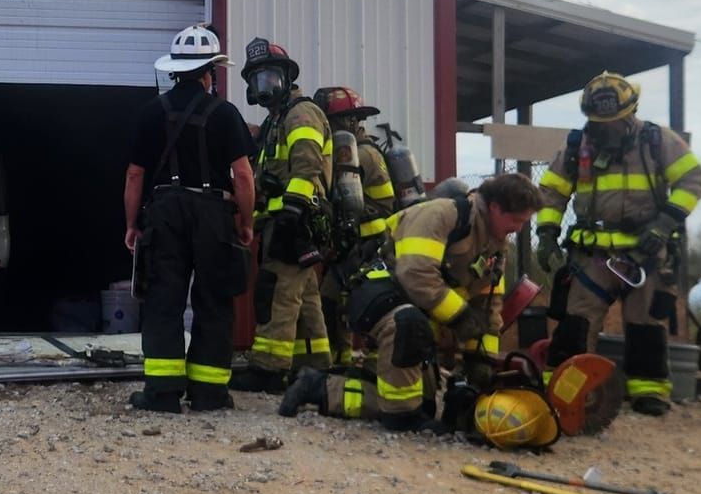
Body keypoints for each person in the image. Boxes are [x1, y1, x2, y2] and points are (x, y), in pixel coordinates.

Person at [283, 172, 540, 432]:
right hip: (378, 295)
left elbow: (487, 306)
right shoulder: (441, 215)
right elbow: (416, 277)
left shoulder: (494, 245)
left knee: (422, 404)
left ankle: (318, 387)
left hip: (413, 307)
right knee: (408, 341)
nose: (519, 229)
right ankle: (399, 415)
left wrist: (481, 360)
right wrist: (460, 317)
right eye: (516, 220)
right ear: (495, 207)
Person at [534, 72, 701, 416]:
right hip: (591, 257)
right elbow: (552, 193)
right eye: (599, 123)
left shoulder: (658, 141)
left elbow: (692, 180)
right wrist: (546, 235)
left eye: (615, 121)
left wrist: (664, 223)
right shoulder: (576, 146)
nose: (607, 129)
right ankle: (567, 393)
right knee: (576, 324)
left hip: (643, 254)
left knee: (645, 324)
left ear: (631, 111)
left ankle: (649, 391)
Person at [122, 26, 256, 413]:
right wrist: (245, 222)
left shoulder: (151, 113)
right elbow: (244, 176)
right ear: (209, 72)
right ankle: (209, 394)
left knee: (164, 299)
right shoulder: (226, 114)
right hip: (213, 211)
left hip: (164, 212)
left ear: (174, 71)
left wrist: (132, 224)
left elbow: (135, 175)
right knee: (213, 300)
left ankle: (162, 394)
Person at [230, 40, 333, 395]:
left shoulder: (300, 114)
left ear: (287, 78)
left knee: (277, 292)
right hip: (284, 217)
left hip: (295, 218)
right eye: (257, 80)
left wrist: (293, 209)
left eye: (270, 77)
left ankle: (268, 371)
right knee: (305, 297)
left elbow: (308, 164)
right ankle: (315, 367)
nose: (263, 87)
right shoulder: (277, 119)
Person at [311, 86, 400, 363]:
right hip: (354, 241)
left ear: (348, 121)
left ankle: (360, 362)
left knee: (344, 302)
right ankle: (341, 360)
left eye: (329, 121)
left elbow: (380, 206)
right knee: (334, 302)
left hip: (366, 243)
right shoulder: (355, 150)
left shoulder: (360, 155)